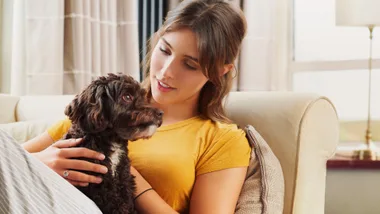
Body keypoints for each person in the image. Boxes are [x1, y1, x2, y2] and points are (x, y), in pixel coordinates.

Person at [22, 0, 251, 213]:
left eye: (189, 65)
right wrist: (39, 163)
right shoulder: (102, 111)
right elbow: (10, 162)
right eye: (165, 50)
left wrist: (126, 174)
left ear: (221, 71)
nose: (166, 72)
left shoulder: (222, 140)